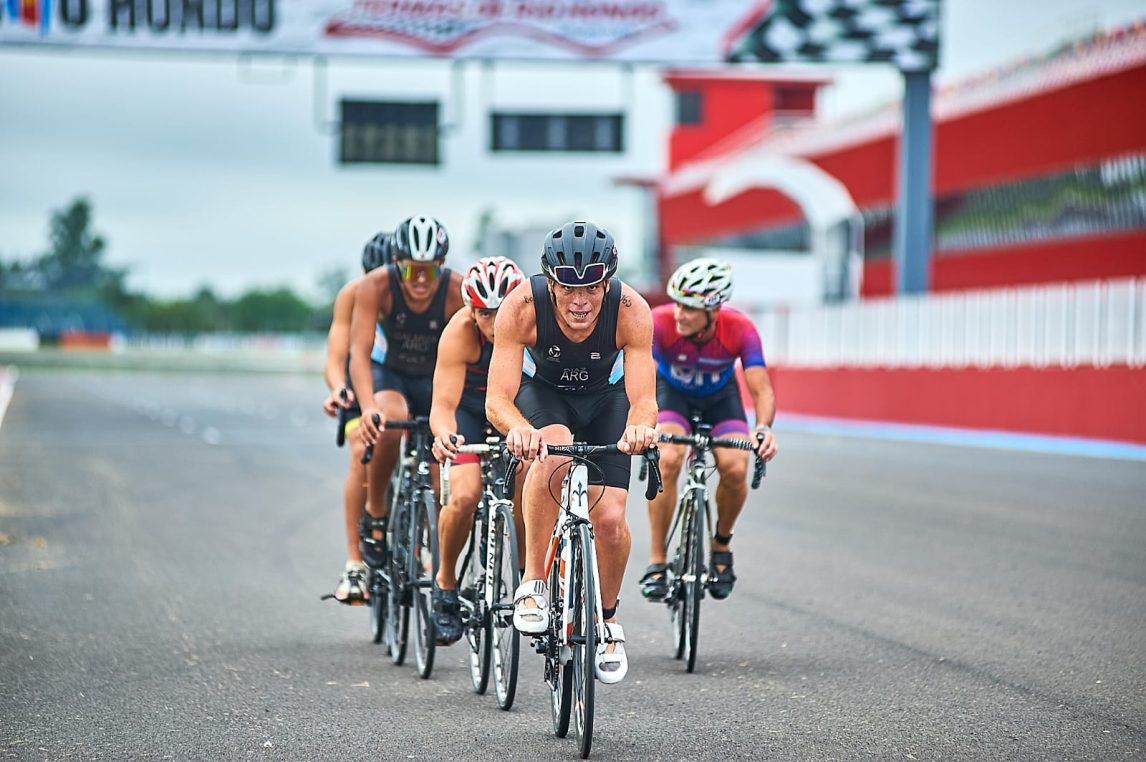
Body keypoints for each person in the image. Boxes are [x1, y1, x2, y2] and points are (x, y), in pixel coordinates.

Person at [486, 221, 658, 685]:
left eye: (591, 287)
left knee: (610, 519)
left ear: (607, 282)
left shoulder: (631, 310)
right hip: (546, 397)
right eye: (567, 287)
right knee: (553, 451)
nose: (580, 301)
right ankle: (533, 582)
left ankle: (608, 620)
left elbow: (644, 397)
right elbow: (497, 398)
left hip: (607, 400)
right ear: (550, 282)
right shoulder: (521, 306)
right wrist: (519, 430)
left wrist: (641, 426)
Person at [641, 257, 778, 603]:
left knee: (735, 467)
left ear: (714, 310)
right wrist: (642, 423)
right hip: (672, 396)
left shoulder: (740, 328)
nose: (679, 313)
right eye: (677, 303)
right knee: (668, 460)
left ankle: (721, 546)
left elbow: (761, 389)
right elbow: (640, 376)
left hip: (720, 399)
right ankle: (657, 560)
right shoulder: (659, 322)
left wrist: (763, 428)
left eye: (689, 308)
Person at [428, 256, 528, 645]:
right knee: (465, 494)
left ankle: (527, 579)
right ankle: (445, 584)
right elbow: (442, 406)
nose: (495, 322)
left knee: (528, 483)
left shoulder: (532, 328)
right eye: (485, 313)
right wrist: (443, 435)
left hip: (513, 412)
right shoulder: (459, 333)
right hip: (468, 413)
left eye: (502, 311)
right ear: (471, 310)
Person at [350, 216, 465, 545]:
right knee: (390, 421)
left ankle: (428, 551)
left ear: (441, 265)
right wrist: (368, 407)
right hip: (392, 374)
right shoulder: (375, 286)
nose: (421, 281)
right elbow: (359, 353)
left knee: (440, 478)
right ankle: (375, 509)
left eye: (430, 271)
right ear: (396, 263)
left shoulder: (455, 290)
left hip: (435, 379)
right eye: (412, 271)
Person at [321, 230, 394, 603]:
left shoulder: (420, 294)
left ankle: (420, 546)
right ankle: (354, 561)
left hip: (402, 386)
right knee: (360, 454)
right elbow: (336, 358)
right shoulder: (352, 295)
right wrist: (338, 388)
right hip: (360, 387)